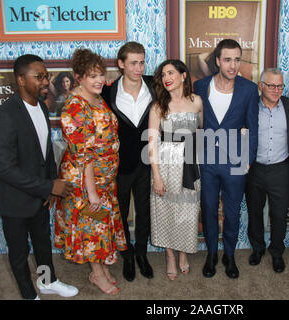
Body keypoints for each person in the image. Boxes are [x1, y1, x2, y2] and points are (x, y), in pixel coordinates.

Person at [0, 54, 78, 300]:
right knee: (19, 253)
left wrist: (49, 188)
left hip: (39, 195)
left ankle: (47, 282)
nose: (44, 82)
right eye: (38, 77)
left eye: (46, 76)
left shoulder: (40, 105)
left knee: (42, 243)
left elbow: (45, 151)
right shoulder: (6, 115)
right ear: (20, 79)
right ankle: (29, 295)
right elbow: (5, 169)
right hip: (14, 199)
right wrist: (49, 185)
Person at [54, 48, 127, 295]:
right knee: (91, 226)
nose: (99, 80)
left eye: (101, 75)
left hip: (104, 177)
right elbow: (83, 155)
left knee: (101, 223)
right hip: (85, 180)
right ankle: (97, 274)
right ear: (79, 77)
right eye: (92, 76)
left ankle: (103, 267)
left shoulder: (95, 97)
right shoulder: (74, 107)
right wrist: (92, 192)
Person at [194, 39, 259, 279]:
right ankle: (211, 254)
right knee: (208, 209)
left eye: (237, 59)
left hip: (236, 161)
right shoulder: (200, 86)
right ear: (218, 61)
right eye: (228, 59)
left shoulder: (249, 89)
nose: (233, 65)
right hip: (207, 161)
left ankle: (229, 255)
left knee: (232, 212)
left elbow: (253, 127)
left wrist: (248, 160)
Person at [101, 41, 155, 282]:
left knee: (144, 212)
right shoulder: (107, 92)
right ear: (121, 64)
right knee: (120, 213)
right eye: (133, 63)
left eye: (142, 62)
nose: (139, 67)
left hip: (147, 163)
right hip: (119, 166)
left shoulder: (155, 86)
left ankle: (142, 254)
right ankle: (127, 255)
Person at [148, 59, 203, 280]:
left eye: (171, 73)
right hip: (166, 162)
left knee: (188, 212)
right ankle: (170, 255)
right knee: (167, 211)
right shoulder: (158, 106)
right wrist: (157, 176)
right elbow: (151, 142)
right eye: (163, 75)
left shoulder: (196, 101)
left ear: (183, 75)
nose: (166, 78)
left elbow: (200, 129)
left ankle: (183, 253)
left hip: (190, 162)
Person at [245, 68, 289, 273]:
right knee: (255, 212)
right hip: (255, 169)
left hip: (280, 169)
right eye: (271, 85)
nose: (276, 90)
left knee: (279, 214)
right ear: (261, 86)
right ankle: (258, 248)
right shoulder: (250, 108)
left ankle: (276, 253)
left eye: (280, 86)